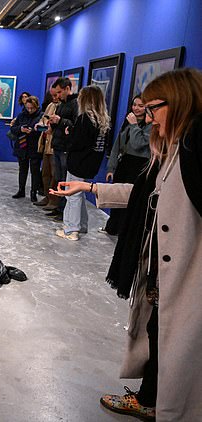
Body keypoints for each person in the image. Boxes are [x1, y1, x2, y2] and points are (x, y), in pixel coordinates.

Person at [50, 68, 202, 420]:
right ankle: (150, 400)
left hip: (184, 277)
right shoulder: (172, 151)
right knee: (156, 335)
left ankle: (167, 406)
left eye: (153, 109)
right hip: (159, 275)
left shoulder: (192, 150)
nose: (147, 118)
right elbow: (145, 195)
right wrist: (88, 188)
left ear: (177, 103)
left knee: (175, 347)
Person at [55, 85, 109, 240]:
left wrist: (68, 134)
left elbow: (76, 143)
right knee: (80, 193)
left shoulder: (84, 119)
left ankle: (71, 230)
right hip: (91, 162)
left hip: (78, 162)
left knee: (72, 195)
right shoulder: (102, 120)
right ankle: (82, 225)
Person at [102, 95, 151, 235]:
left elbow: (138, 144)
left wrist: (134, 125)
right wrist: (111, 167)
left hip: (140, 166)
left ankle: (125, 230)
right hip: (124, 163)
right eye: (134, 105)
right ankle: (113, 227)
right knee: (116, 196)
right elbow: (118, 145)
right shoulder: (128, 121)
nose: (136, 108)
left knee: (130, 199)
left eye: (141, 106)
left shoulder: (151, 125)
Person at [47, 77, 79, 220]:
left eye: (60, 92)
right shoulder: (61, 105)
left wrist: (61, 121)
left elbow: (76, 125)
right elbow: (59, 126)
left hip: (67, 147)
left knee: (66, 181)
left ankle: (64, 211)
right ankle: (59, 208)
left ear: (67, 89)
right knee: (59, 179)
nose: (58, 96)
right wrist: (53, 123)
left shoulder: (75, 104)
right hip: (58, 145)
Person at [9, 95, 44, 201]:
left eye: (32, 108)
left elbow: (44, 129)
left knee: (35, 170)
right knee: (22, 169)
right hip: (22, 146)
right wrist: (21, 129)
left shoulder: (42, 116)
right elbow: (13, 129)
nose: (29, 110)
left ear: (36, 106)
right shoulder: (21, 115)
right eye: (28, 108)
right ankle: (21, 190)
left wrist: (33, 131)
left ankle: (33, 192)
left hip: (35, 147)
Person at [34, 87, 61, 207]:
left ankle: (53, 200)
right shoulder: (50, 105)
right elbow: (43, 119)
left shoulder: (63, 107)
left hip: (55, 146)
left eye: (56, 95)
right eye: (53, 96)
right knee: (45, 173)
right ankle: (46, 196)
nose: (54, 98)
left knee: (55, 175)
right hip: (45, 144)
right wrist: (39, 124)